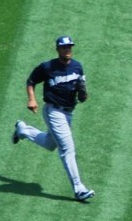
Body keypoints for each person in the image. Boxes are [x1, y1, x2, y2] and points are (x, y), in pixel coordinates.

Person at [12, 35, 94, 202]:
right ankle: (79, 189)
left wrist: (83, 93)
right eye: (64, 47)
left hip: (68, 113)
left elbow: (83, 97)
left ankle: (23, 130)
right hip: (53, 111)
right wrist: (32, 99)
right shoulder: (47, 67)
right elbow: (31, 81)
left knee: (50, 144)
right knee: (68, 149)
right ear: (57, 49)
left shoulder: (77, 67)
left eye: (69, 47)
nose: (67, 50)